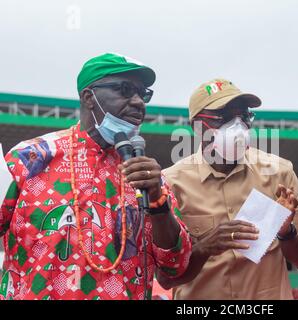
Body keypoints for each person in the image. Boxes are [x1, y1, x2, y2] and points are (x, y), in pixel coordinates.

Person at [0, 53, 192, 299]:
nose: (138, 102)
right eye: (125, 90)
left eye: (143, 94)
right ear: (89, 98)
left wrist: (157, 202)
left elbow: (175, 267)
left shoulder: (148, 177)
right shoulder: (29, 158)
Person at [158, 78, 298, 299]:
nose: (238, 126)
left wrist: (286, 232)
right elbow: (165, 277)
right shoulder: (171, 183)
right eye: (224, 117)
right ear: (197, 126)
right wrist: (203, 248)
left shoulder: (279, 173)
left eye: (244, 117)